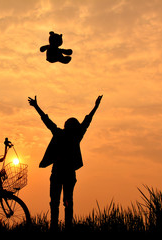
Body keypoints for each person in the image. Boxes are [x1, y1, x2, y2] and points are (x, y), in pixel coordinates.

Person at [28, 95, 103, 231]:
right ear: (75, 127)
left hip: (58, 173)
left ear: (66, 126)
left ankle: (54, 227)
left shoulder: (60, 134)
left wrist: (36, 106)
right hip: (68, 174)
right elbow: (87, 121)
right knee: (67, 201)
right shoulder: (76, 136)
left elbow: (47, 121)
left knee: (55, 202)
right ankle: (67, 226)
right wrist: (96, 106)